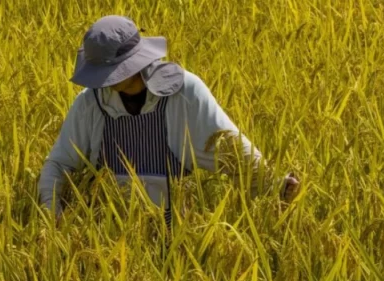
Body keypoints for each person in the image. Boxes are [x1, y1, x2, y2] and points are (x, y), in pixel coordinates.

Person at [38, 15, 299, 222]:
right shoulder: (90, 103)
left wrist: (273, 185)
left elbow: (230, 147)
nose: (105, 81)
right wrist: (52, 213)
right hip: (108, 230)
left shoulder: (184, 92)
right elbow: (59, 163)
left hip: (177, 228)